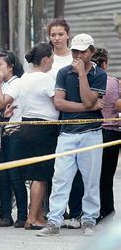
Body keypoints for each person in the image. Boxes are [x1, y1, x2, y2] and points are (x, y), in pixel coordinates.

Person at [37, 34, 107, 237]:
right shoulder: (63, 72)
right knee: (60, 178)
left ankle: (89, 220)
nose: (78, 55)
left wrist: (83, 76)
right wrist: (89, 106)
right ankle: (54, 221)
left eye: (83, 51)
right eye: (75, 51)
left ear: (91, 52)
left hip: (92, 133)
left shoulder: (99, 75)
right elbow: (59, 103)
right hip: (67, 133)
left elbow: (87, 99)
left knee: (91, 179)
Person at [46, 17, 83, 229]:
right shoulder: (45, 57)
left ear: (68, 34)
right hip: (48, 118)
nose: (57, 38)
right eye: (53, 35)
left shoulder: (75, 57)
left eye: (60, 34)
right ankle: (55, 213)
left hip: (71, 116)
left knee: (76, 169)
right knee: (55, 171)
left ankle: (77, 212)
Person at [18, 43, 58, 230]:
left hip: (26, 125)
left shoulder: (25, 77)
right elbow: (57, 102)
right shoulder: (45, 78)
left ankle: (38, 215)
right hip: (42, 128)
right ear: (45, 59)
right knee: (40, 175)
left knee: (35, 174)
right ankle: (32, 217)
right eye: (51, 58)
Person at [0, 50, 27, 228]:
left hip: (15, 132)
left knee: (15, 175)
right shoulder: (1, 84)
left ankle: (22, 214)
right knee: (3, 176)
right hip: (0, 133)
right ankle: (5, 215)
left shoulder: (16, 83)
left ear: (11, 66)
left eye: (0, 65)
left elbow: (1, 102)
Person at [91, 48, 120, 222]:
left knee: (92, 175)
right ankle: (108, 212)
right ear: (105, 63)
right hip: (112, 133)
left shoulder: (89, 81)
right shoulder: (113, 82)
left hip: (92, 130)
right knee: (106, 176)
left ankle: (90, 212)